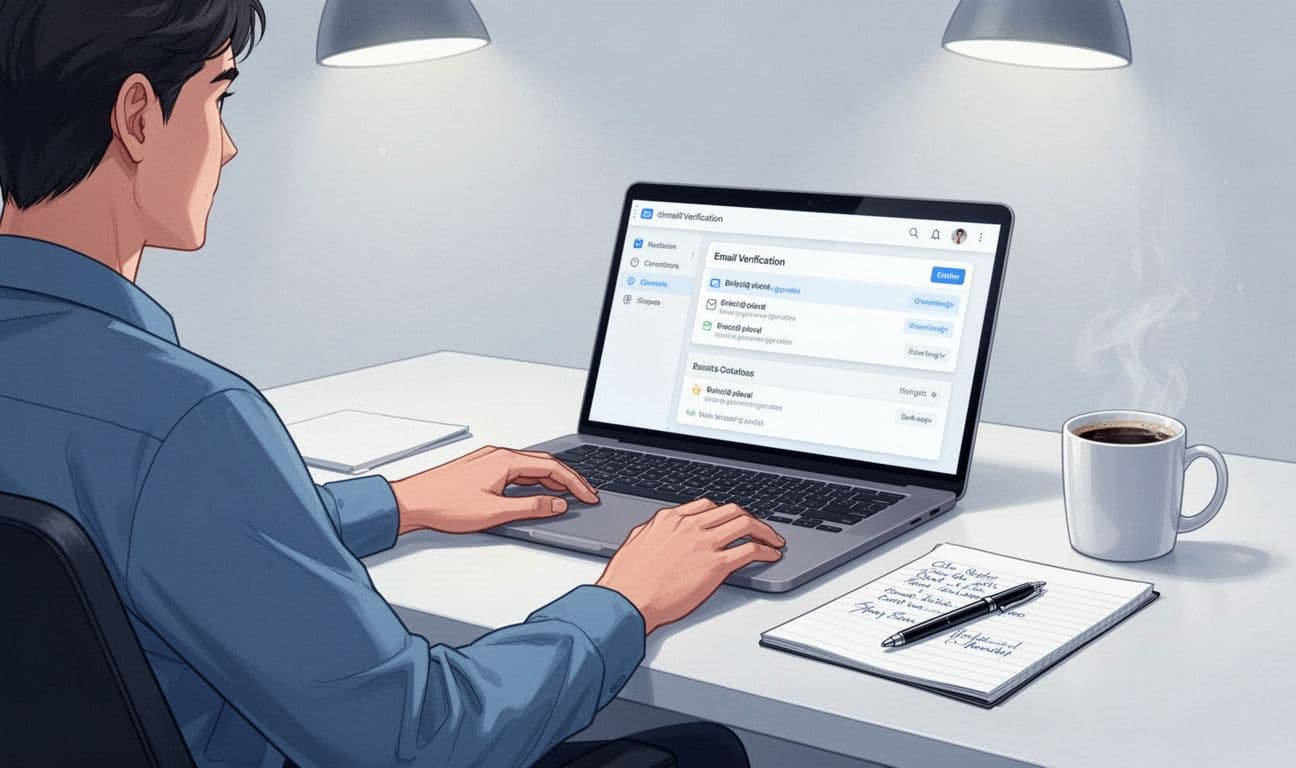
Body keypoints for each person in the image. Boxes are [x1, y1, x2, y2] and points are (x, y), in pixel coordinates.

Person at [0, 2, 784, 766]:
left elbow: (170, 536)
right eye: (219, 98)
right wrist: (627, 600)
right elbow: (421, 739)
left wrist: (398, 502)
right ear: (138, 116)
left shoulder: (114, 417)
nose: (229, 148)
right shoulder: (186, 419)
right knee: (700, 750)